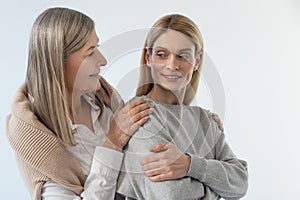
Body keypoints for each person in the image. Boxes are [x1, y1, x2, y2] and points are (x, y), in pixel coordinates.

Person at [5, 7, 155, 200]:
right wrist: (113, 143)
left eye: (97, 47)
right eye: (90, 53)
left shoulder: (105, 100)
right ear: (57, 61)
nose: (102, 60)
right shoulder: (33, 138)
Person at [116, 14, 248, 199]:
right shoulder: (140, 114)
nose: (172, 65)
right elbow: (172, 195)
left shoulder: (205, 120)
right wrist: (217, 187)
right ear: (148, 57)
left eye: (182, 56)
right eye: (162, 55)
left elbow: (240, 182)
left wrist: (189, 165)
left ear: (197, 60)